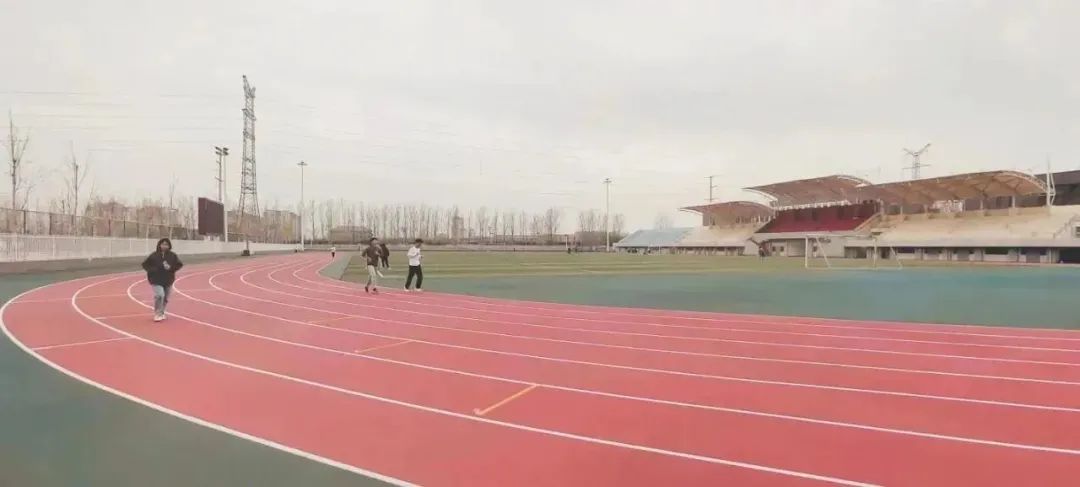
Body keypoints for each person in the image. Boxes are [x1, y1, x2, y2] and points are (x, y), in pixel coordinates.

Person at [141, 238, 183, 322]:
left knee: (165, 298)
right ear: (159, 245)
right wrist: (153, 270)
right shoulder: (154, 255)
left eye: (166, 244)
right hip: (156, 279)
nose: (164, 246)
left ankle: (162, 312)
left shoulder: (172, 256)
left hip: (168, 279)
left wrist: (170, 268)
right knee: (160, 295)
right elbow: (145, 264)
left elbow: (179, 265)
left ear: (169, 246)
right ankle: (157, 313)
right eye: (163, 244)